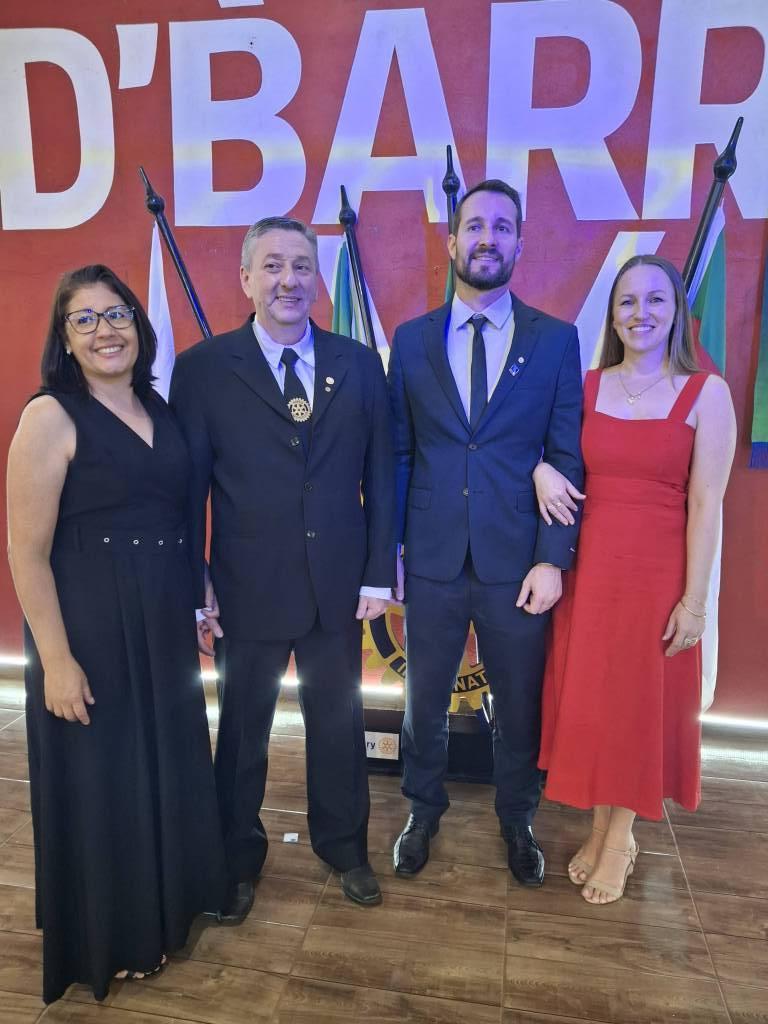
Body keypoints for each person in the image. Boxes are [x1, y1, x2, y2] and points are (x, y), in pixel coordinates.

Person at [6, 265, 226, 1004]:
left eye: (117, 313)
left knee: (159, 768)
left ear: (138, 323)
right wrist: (57, 661)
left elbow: (170, 515)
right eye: (85, 319)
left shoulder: (157, 406)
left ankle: (166, 913)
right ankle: (115, 938)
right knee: (107, 783)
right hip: (91, 630)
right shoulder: (50, 416)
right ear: (64, 338)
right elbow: (27, 553)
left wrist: (199, 586)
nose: (105, 330)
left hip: (160, 625)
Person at [170, 216, 395, 919]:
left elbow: (382, 475)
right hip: (245, 588)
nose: (288, 280)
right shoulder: (203, 369)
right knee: (242, 734)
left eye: (301, 266)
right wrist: (195, 580)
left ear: (317, 279)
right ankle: (235, 859)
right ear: (246, 278)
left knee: (339, 726)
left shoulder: (359, 364)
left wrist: (377, 573)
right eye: (272, 266)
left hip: (338, 586)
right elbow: (187, 490)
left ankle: (345, 847)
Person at [387, 180, 584, 886]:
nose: (487, 238)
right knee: (424, 702)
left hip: (517, 563)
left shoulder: (555, 340)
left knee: (518, 704)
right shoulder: (411, 340)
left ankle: (517, 817)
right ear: (452, 242)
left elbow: (565, 456)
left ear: (520, 244)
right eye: (475, 226)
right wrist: (392, 551)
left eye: (502, 227)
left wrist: (552, 559)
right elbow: (400, 453)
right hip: (431, 557)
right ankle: (422, 809)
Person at [536, 254, 736, 904]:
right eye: (627, 301)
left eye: (655, 300)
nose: (640, 313)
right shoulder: (588, 385)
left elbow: (707, 503)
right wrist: (540, 470)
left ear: (677, 311)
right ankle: (600, 831)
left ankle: (620, 839)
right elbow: (551, 458)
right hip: (590, 576)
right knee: (598, 705)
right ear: (613, 315)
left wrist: (695, 603)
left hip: (657, 580)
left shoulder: (707, 393)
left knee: (637, 709)